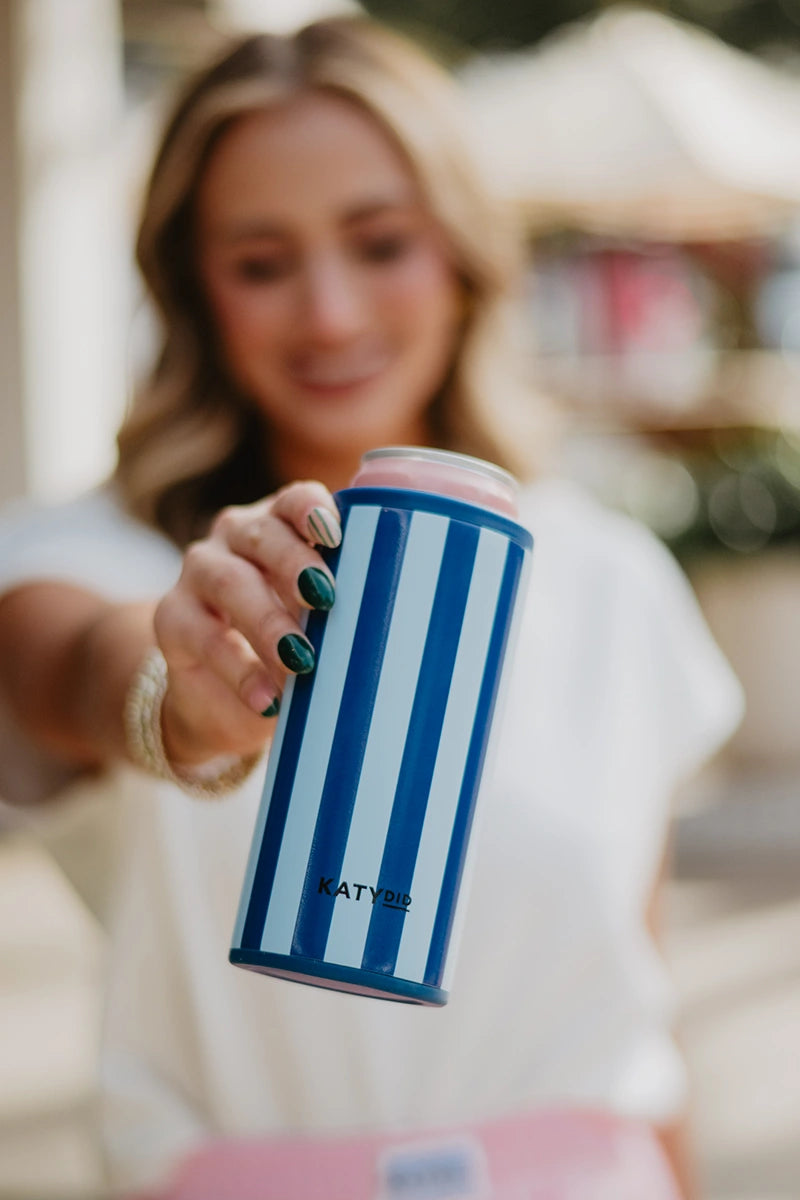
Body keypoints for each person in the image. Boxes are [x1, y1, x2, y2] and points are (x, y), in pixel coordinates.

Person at [0, 15, 742, 1200]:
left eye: (379, 242)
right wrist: (188, 700)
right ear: (191, 286)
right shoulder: (87, 555)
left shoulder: (610, 580)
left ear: (460, 254)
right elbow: (82, 671)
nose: (331, 314)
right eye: (260, 261)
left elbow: (636, 1028)